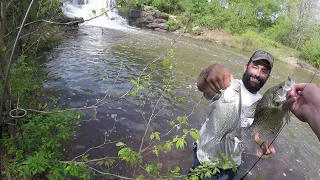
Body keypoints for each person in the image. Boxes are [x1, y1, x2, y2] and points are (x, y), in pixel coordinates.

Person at [192, 50, 276, 180]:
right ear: (245, 67)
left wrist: (261, 142)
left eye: (264, 71)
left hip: (229, 166)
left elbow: (254, 132)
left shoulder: (263, 104)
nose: (258, 74)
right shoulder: (228, 84)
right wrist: (209, 71)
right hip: (204, 156)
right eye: (255, 67)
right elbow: (201, 86)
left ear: (267, 77)